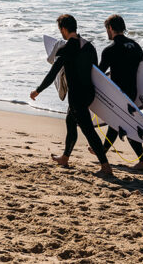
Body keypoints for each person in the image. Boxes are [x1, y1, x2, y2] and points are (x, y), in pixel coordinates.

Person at [30, 14, 112, 176]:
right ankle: (65, 157)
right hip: (89, 92)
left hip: (77, 96)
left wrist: (38, 90)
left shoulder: (66, 48)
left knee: (88, 130)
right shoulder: (89, 46)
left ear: (64, 29)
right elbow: (96, 72)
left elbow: (53, 72)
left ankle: (105, 166)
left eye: (60, 29)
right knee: (70, 121)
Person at [98, 14, 143, 171]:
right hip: (133, 93)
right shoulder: (136, 46)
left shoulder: (110, 50)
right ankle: (101, 151)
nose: (107, 32)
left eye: (106, 29)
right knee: (118, 124)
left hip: (118, 94)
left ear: (111, 28)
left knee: (125, 126)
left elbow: (99, 73)